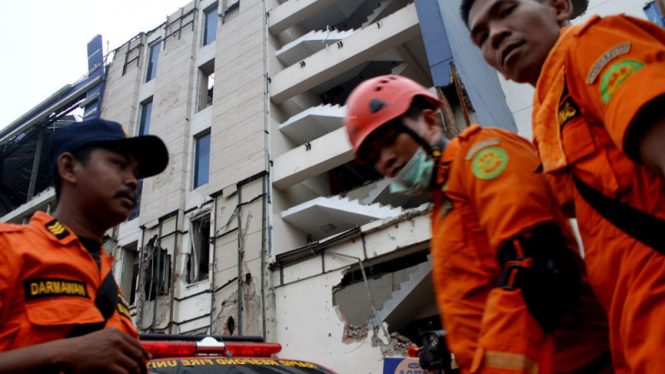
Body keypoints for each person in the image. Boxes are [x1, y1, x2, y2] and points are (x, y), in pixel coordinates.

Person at [344, 75, 611, 374]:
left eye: (391, 139)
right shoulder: (444, 203)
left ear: (431, 123)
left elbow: (540, 267)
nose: (386, 160)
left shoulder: (481, 155)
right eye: (374, 156)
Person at [463, 0, 665, 372]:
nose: (495, 34)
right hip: (634, 336)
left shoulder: (592, 46)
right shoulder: (550, 114)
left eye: (506, 9)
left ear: (558, 6)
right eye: (481, 36)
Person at [0, 118, 169, 373]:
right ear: (69, 168)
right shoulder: (9, 247)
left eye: (136, 173)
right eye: (119, 165)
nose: (133, 181)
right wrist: (61, 353)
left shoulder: (108, 279)